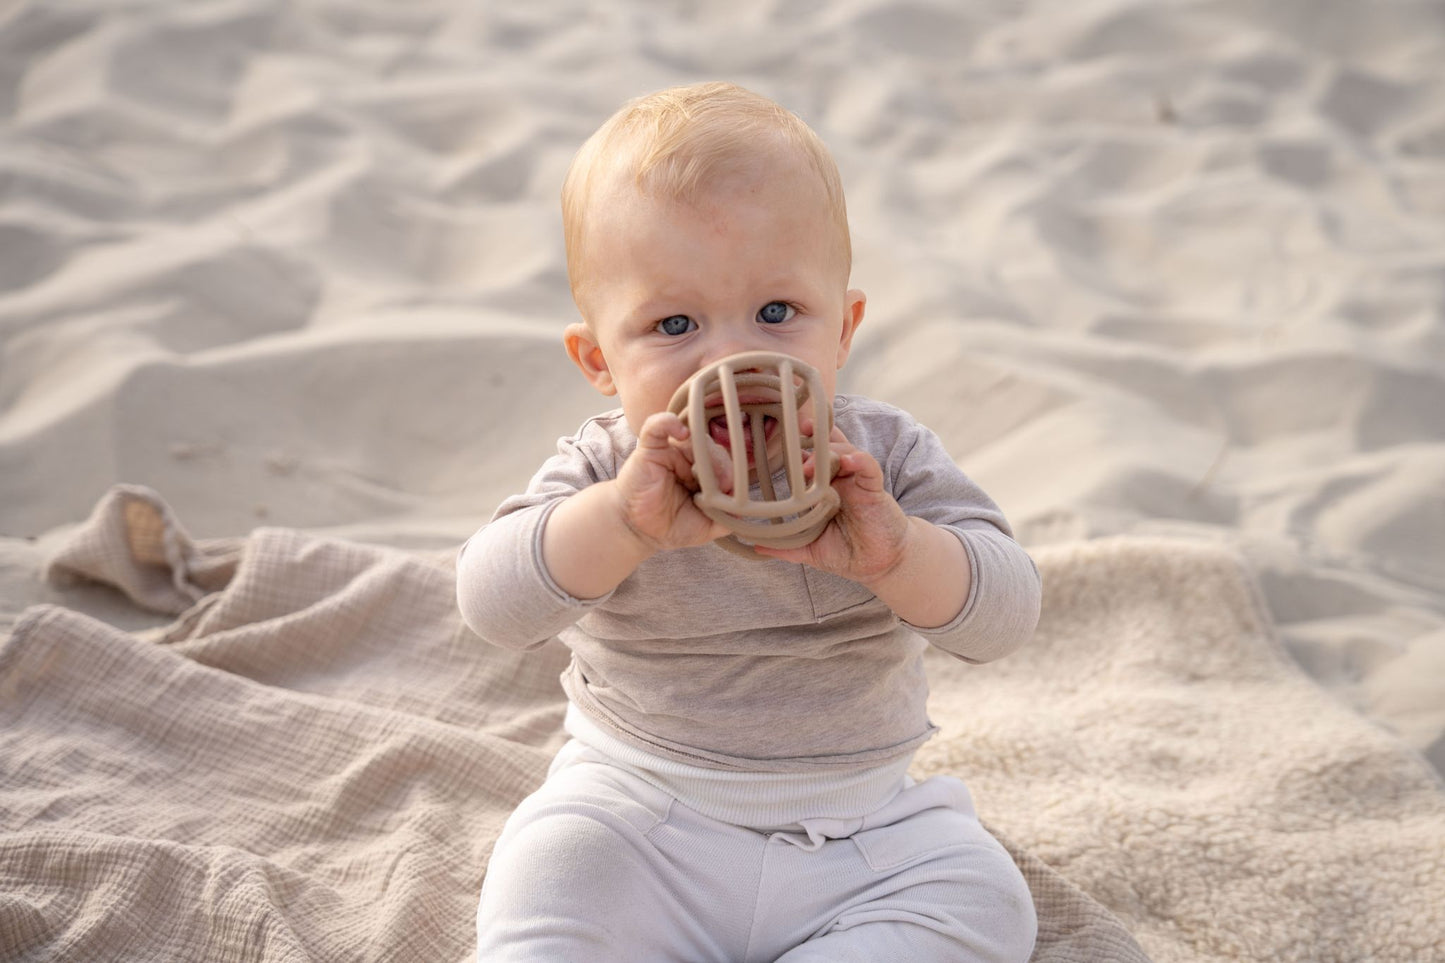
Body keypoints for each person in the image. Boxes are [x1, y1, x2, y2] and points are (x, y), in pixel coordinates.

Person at [456, 81, 1042, 962]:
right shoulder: (609, 470)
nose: (733, 355)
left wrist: (900, 554)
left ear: (841, 330)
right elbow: (491, 604)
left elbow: (1006, 616)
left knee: (985, 900)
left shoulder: (883, 455)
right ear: (598, 359)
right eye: (674, 322)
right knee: (550, 872)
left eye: (776, 313)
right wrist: (620, 524)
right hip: (642, 815)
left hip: (867, 829)